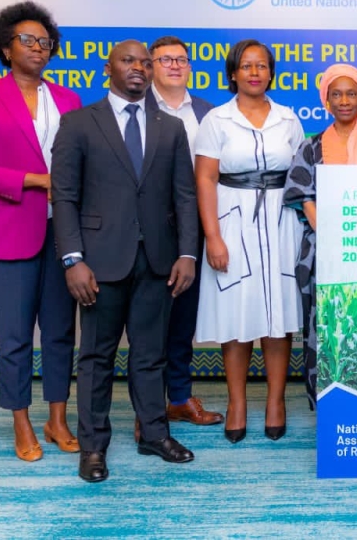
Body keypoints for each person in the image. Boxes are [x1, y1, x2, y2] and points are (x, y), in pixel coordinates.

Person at [52, 40, 199, 483]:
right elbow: (64, 196)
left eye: (145, 62)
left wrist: (187, 252)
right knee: (97, 357)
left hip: (157, 260)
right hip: (98, 263)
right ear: (108, 68)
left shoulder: (170, 127)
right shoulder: (79, 123)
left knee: (151, 356)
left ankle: (154, 434)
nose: (138, 67)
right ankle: (94, 447)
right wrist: (73, 260)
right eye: (128, 60)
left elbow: (185, 196)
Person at [0, 0, 81, 462]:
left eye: (45, 42)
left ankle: (58, 418)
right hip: (11, 232)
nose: (39, 48)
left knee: (62, 332)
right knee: (15, 335)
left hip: (64, 233)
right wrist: (32, 180)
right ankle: (21, 421)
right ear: (6, 48)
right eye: (28, 40)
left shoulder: (67, 99)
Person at [193, 39, 305, 443]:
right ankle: (237, 402)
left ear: (271, 73)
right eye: (246, 66)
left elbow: (302, 176)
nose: (255, 72)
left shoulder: (288, 119)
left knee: (279, 315)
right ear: (233, 73)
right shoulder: (217, 120)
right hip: (232, 221)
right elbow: (205, 178)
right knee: (235, 316)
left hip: (281, 222)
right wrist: (212, 237)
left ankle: (277, 401)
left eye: (262, 66)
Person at [284, 63, 357, 408]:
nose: (344, 100)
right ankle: (328, 403)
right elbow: (303, 194)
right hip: (323, 250)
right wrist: (333, 237)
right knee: (324, 327)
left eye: (351, 93)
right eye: (336, 94)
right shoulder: (312, 146)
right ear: (326, 99)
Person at [145, 35, 223, 432]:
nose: (174, 65)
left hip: (194, 230)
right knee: (149, 323)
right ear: (150, 66)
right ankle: (148, 409)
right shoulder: (136, 109)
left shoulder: (209, 114)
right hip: (149, 232)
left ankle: (178, 398)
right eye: (165, 59)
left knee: (182, 323)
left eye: (181, 59)